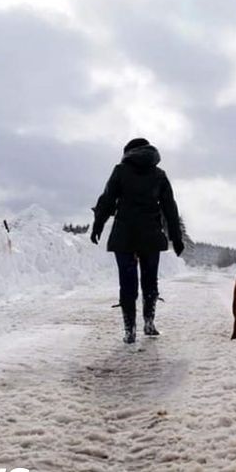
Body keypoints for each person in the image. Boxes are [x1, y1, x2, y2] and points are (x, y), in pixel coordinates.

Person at [91, 138, 184, 344]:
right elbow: (170, 208)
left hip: (124, 235)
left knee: (127, 282)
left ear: (128, 152)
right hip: (151, 236)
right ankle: (149, 323)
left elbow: (107, 199)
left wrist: (98, 224)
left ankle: (129, 330)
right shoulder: (159, 175)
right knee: (150, 281)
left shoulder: (120, 170)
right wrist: (175, 237)